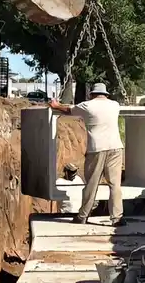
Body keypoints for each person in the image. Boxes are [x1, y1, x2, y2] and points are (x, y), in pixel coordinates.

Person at [47, 83, 123, 225]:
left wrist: (56, 106)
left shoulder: (87, 106)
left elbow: (68, 110)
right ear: (106, 94)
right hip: (116, 148)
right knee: (115, 185)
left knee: (91, 184)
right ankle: (117, 218)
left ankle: (82, 216)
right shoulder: (115, 105)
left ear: (91, 94)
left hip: (97, 149)